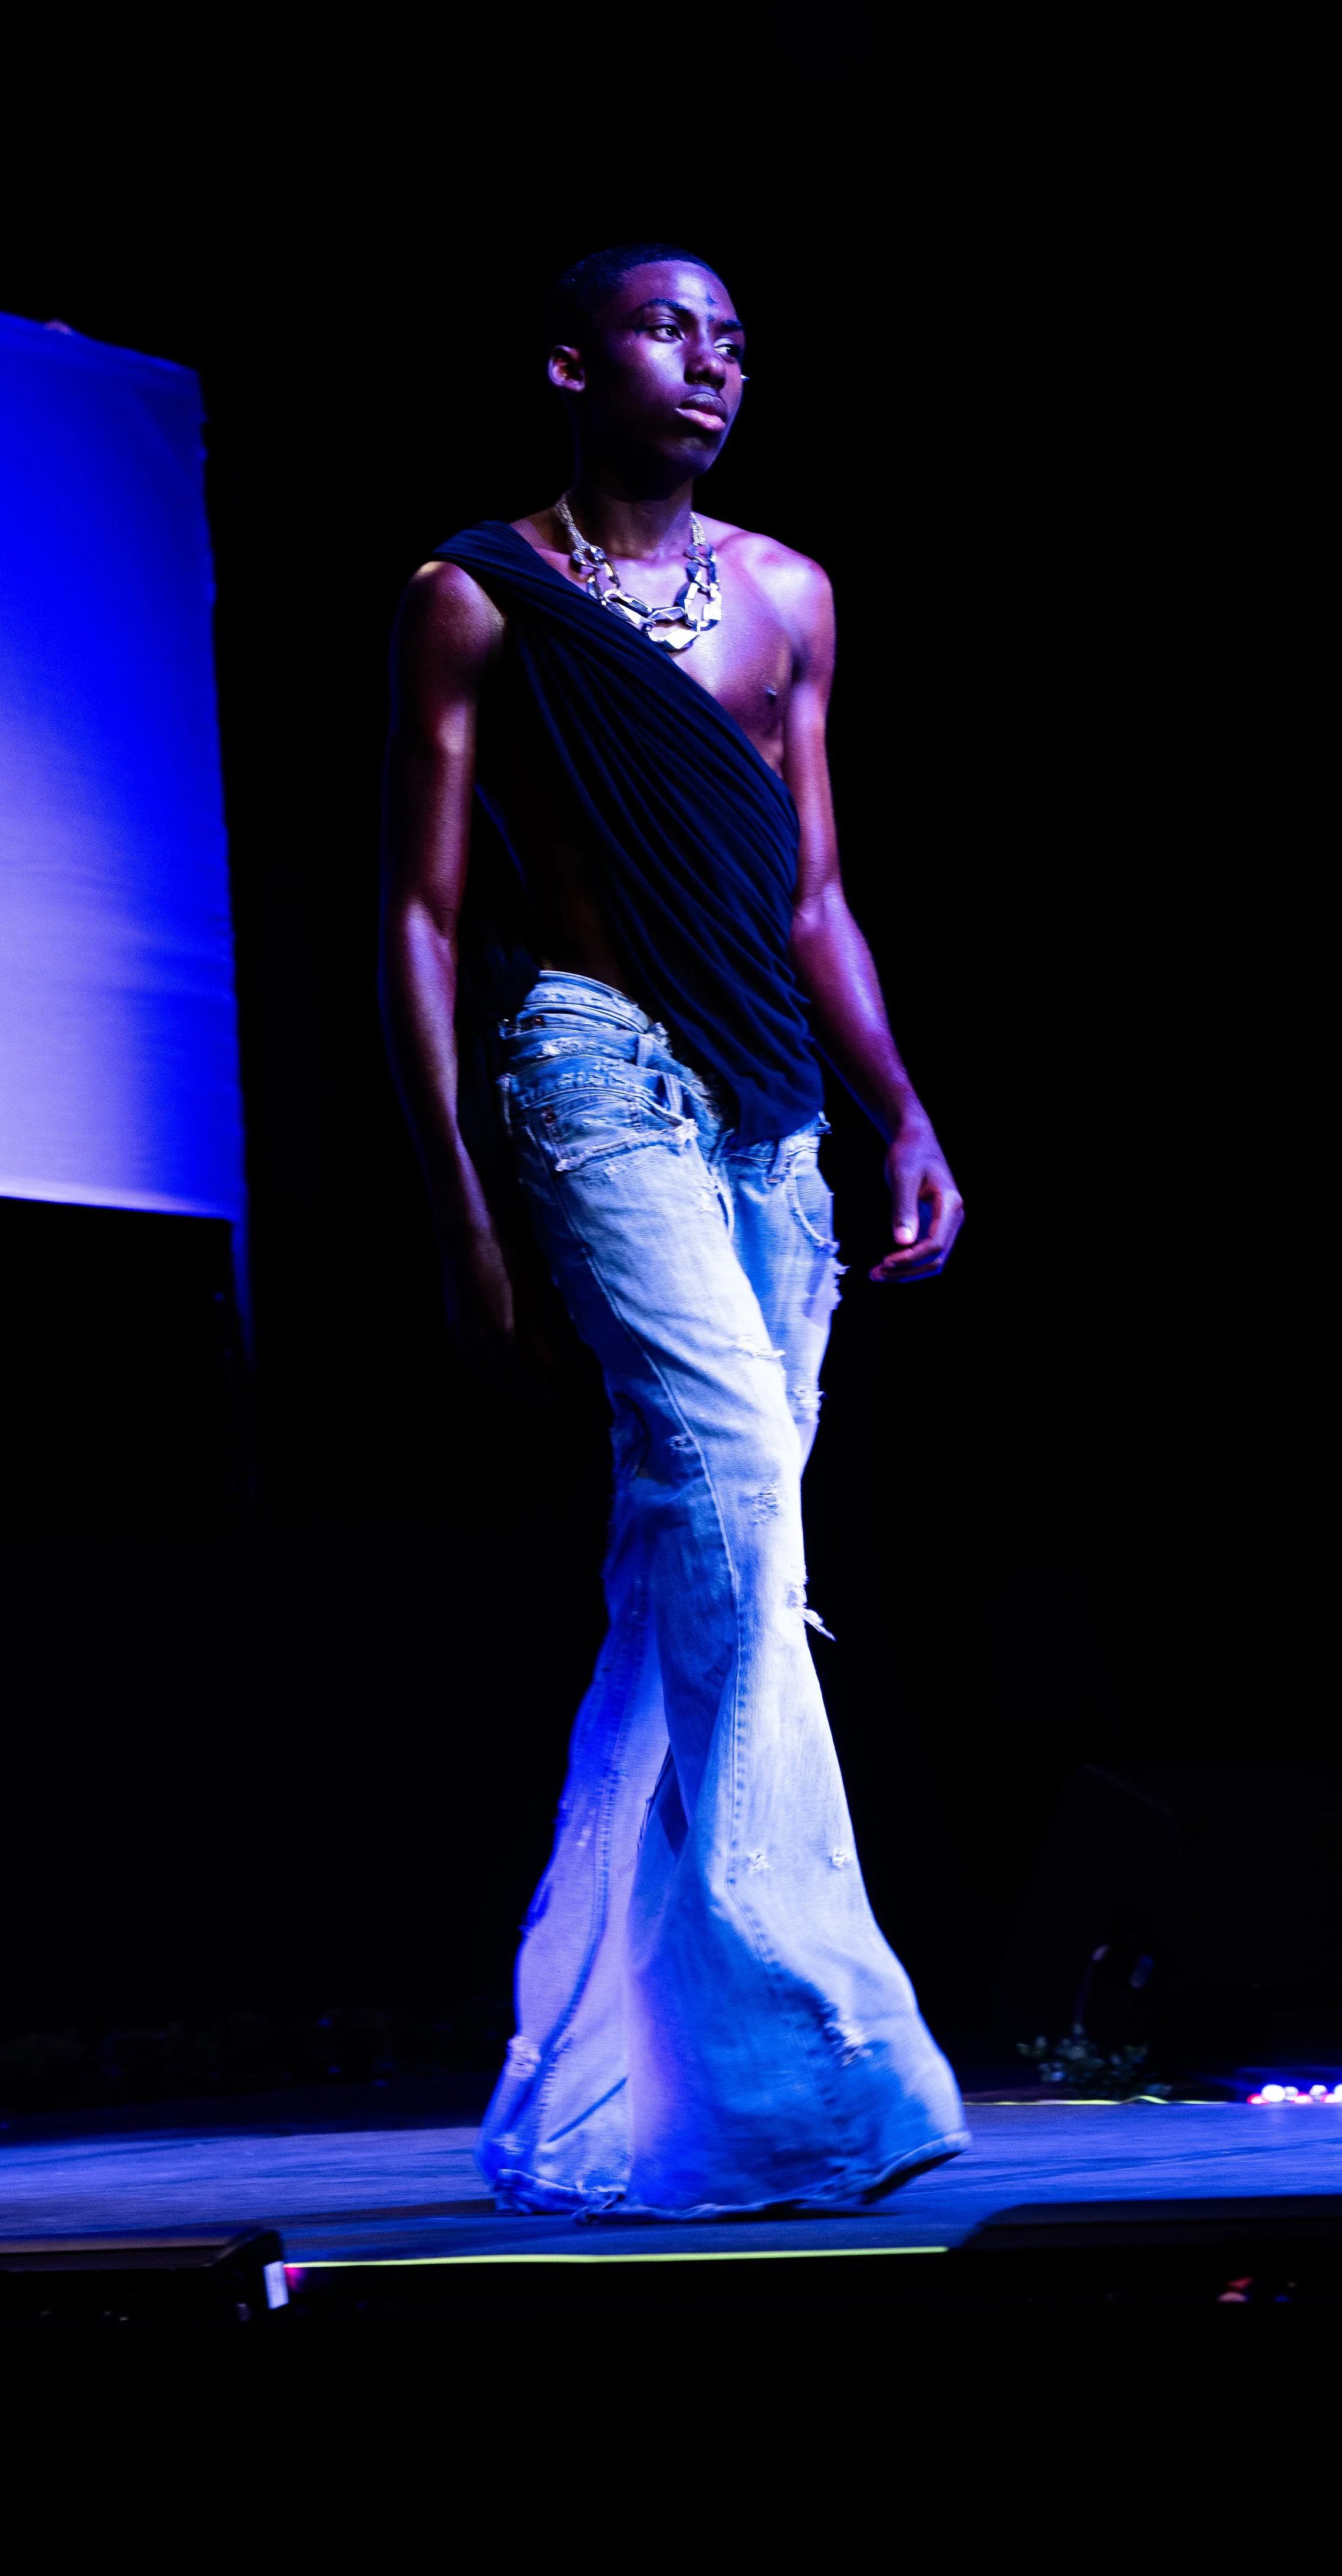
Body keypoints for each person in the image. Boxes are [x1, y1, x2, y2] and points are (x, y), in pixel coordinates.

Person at [381, 243, 968, 2217]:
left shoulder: (790, 595)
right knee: (728, 1486)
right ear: (569, 364)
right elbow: (420, 914)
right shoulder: (474, 594)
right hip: (594, 1064)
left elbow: (813, 895)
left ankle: (601, 2088)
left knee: (691, 1569)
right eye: (663, 329)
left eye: (730, 340)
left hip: (772, 1106)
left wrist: (901, 1112)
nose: (706, 364)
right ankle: (816, 2044)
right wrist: (461, 1208)